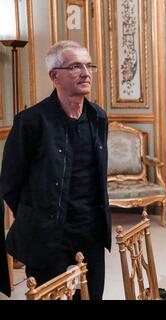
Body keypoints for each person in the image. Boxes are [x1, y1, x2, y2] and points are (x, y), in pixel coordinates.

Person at [0, 40, 110, 300]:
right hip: (47, 235)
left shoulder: (98, 117)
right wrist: (37, 216)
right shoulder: (31, 121)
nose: (86, 72)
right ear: (54, 76)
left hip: (91, 230)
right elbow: (10, 183)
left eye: (88, 65)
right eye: (75, 66)